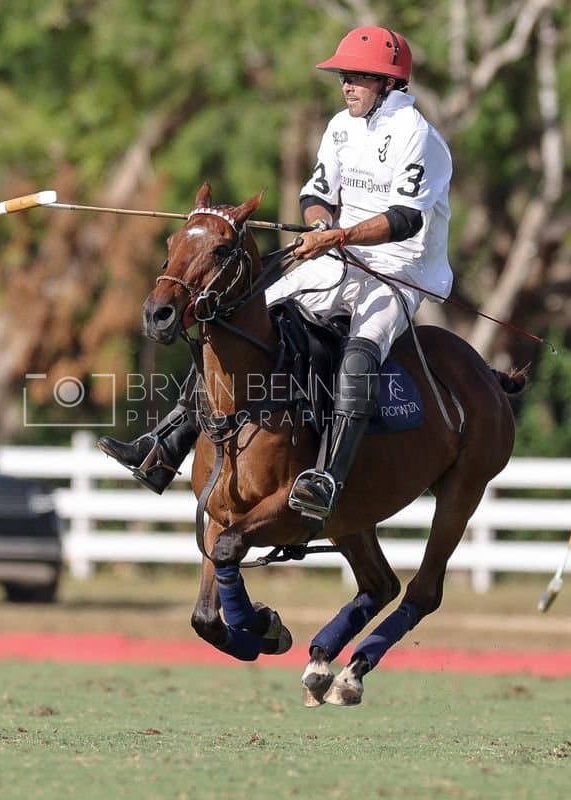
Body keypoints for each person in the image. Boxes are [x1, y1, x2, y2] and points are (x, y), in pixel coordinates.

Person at [98, 25, 453, 524]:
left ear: (388, 84)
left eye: (357, 77)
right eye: (344, 76)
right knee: (237, 322)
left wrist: (336, 237)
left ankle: (326, 478)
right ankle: (165, 444)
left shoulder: (420, 138)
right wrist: (320, 223)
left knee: (357, 357)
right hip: (334, 257)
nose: (346, 85)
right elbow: (316, 194)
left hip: (398, 271)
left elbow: (405, 219)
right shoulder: (340, 127)